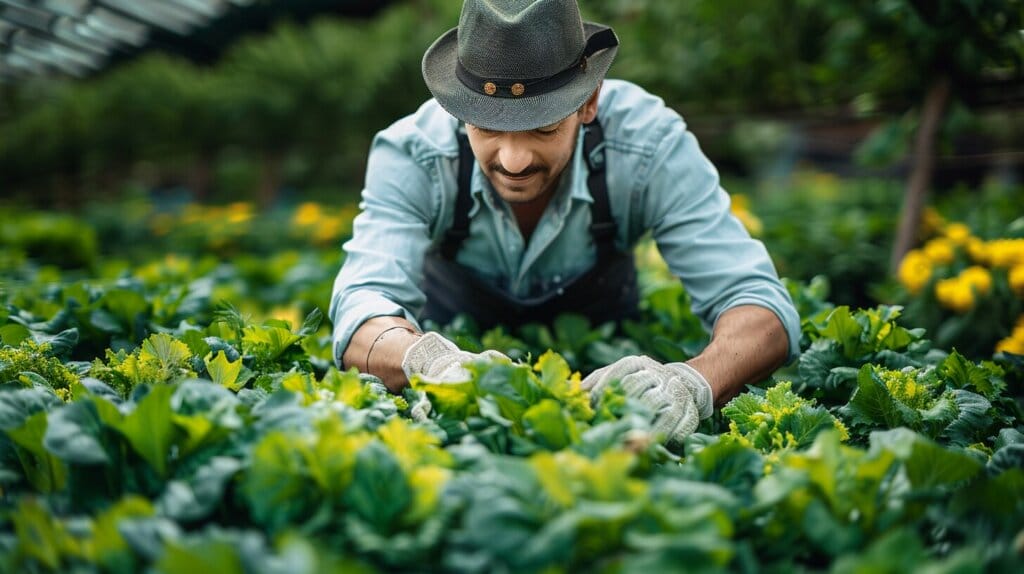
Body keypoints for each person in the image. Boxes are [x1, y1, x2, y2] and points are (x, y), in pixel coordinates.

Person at [329, 0, 800, 444]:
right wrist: (428, 361)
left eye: (544, 127)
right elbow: (363, 308)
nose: (513, 160)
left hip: (611, 369)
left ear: (589, 102)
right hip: (459, 374)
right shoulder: (413, 153)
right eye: (488, 126)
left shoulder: (648, 145)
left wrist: (693, 381)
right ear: (458, 108)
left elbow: (760, 307)